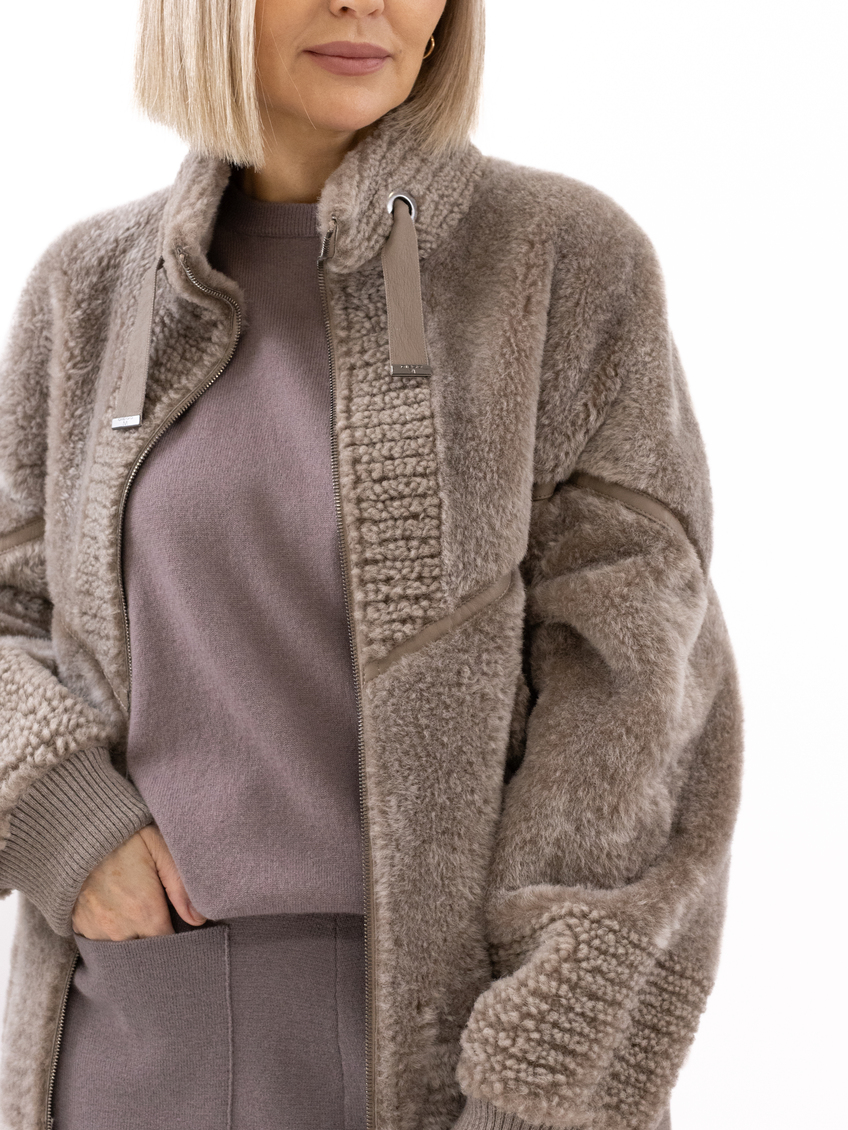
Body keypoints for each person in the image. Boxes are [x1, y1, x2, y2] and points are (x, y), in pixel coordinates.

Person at [0, 0, 743, 1127]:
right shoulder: (92, 289)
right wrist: (61, 814)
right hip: (130, 1038)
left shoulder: (562, 264)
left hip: (449, 1056)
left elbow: (638, 701)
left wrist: (539, 1086)